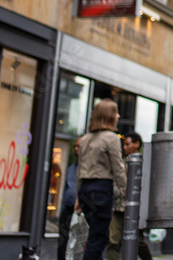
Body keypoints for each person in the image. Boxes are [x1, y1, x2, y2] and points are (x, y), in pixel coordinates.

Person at [76, 99, 126, 260]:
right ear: (109, 116)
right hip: (101, 189)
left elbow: (79, 169)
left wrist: (78, 195)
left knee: (94, 234)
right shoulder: (111, 138)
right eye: (115, 112)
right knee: (99, 236)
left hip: (85, 189)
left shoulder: (85, 139)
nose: (118, 116)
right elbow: (117, 167)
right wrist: (126, 188)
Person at [107, 133, 152, 260]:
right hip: (118, 207)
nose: (125, 147)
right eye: (124, 144)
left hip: (135, 209)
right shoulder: (121, 162)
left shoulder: (144, 163)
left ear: (137, 144)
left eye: (128, 144)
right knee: (113, 240)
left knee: (137, 241)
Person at [57, 137, 81, 260]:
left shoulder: (89, 168)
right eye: (74, 146)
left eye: (79, 146)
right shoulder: (71, 168)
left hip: (81, 210)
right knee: (62, 241)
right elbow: (66, 191)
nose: (76, 149)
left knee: (78, 242)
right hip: (68, 209)